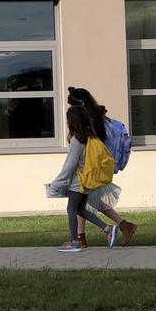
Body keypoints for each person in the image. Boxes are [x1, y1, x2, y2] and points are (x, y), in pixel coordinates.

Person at [68, 87, 137, 247]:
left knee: (81, 202)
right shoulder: (99, 117)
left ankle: (82, 237)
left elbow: (86, 145)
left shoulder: (86, 121)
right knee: (89, 203)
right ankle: (123, 226)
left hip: (89, 168)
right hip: (96, 167)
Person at [50, 106, 118, 253]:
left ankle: (74, 242)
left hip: (78, 183)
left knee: (71, 210)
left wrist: (56, 183)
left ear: (72, 122)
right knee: (80, 209)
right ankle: (108, 229)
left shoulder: (77, 140)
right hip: (87, 181)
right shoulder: (90, 138)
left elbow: (70, 165)